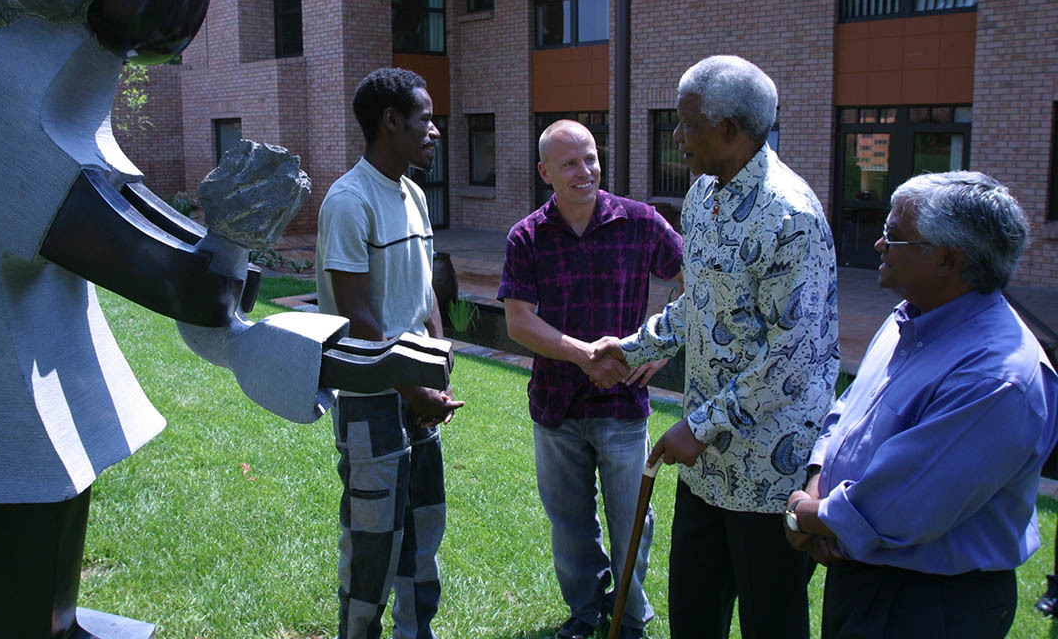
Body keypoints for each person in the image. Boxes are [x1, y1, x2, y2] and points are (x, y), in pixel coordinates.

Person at [594, 55, 839, 639]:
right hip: (706, 467)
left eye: (687, 124)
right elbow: (698, 306)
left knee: (769, 623)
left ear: (730, 130)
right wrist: (627, 350)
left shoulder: (791, 215)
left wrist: (699, 426)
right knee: (695, 613)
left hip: (765, 470)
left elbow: (793, 355)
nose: (678, 138)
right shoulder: (704, 196)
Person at [783, 171, 1058, 639]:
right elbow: (848, 411)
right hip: (865, 577)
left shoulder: (996, 377)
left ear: (948, 260)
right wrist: (815, 481)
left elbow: (900, 505)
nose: (878, 244)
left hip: (929, 604)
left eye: (895, 236)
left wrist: (803, 516)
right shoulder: (910, 318)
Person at [498, 120, 684, 639]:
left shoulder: (641, 223)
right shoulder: (527, 237)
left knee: (632, 528)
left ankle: (628, 618)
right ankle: (584, 614)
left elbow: (697, 278)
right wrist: (584, 355)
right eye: (570, 164)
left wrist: (663, 345)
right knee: (571, 526)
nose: (585, 171)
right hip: (556, 409)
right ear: (545, 173)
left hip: (623, 408)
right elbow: (518, 320)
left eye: (591, 158)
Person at [316, 67, 464, 639]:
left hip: (417, 393)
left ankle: (415, 632)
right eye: (425, 119)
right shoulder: (349, 201)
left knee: (424, 529)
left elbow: (424, 292)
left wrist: (437, 362)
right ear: (390, 121)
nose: (435, 131)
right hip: (372, 401)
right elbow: (359, 317)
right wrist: (412, 385)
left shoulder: (414, 195)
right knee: (374, 542)